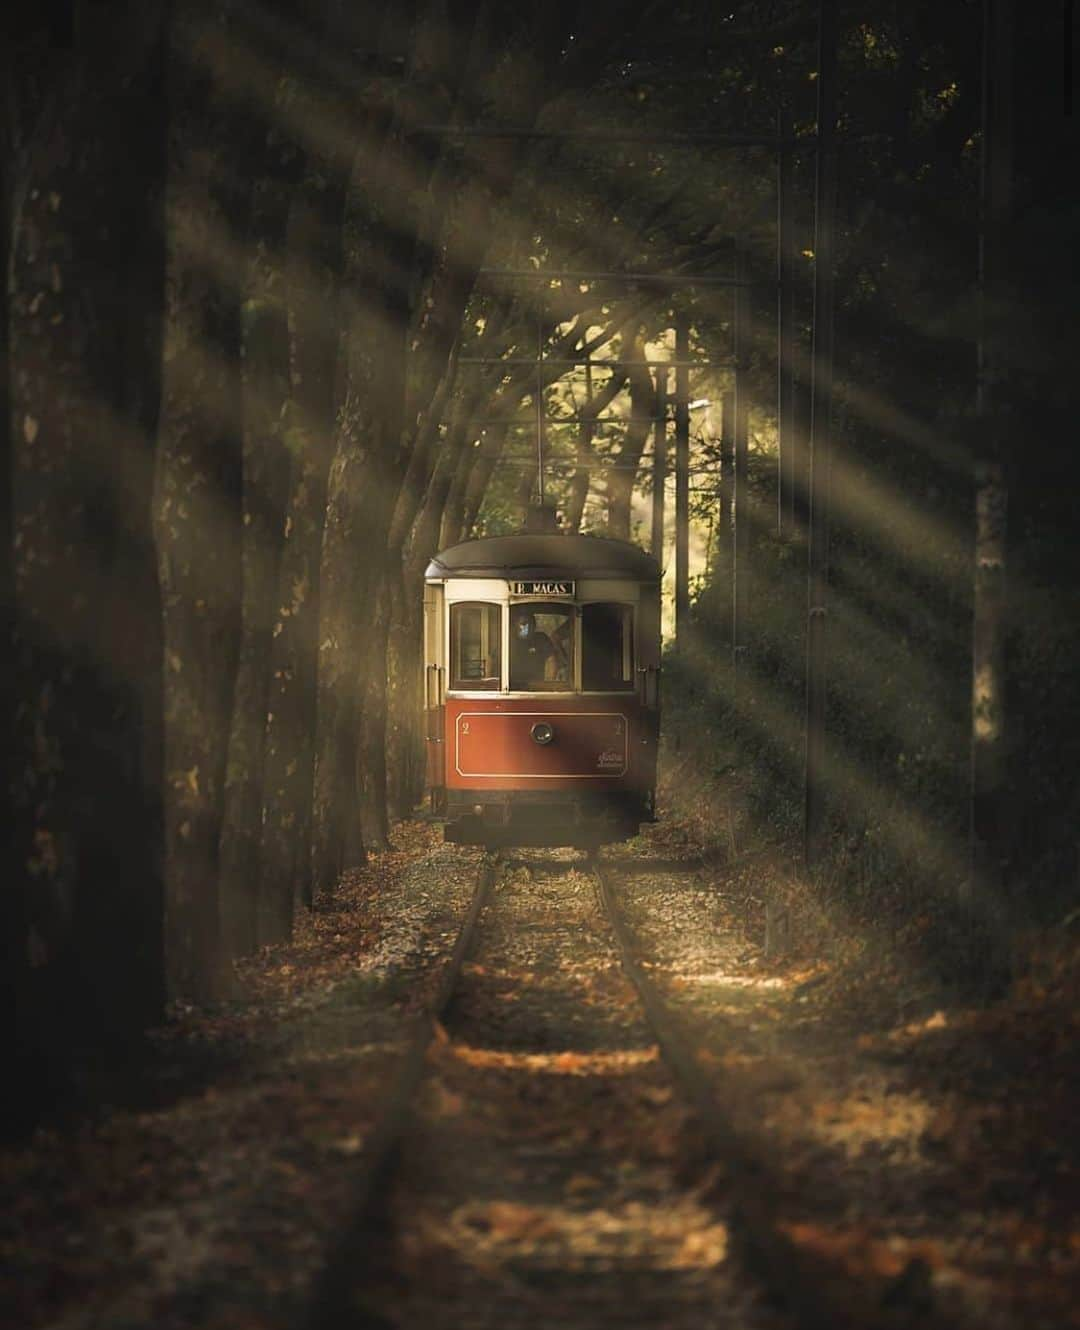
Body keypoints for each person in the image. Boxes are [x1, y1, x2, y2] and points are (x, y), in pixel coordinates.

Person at [511, 609, 559, 687]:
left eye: (531, 624)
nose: (527, 627)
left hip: (537, 688)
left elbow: (552, 661)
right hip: (511, 687)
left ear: (534, 626)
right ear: (515, 625)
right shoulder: (508, 640)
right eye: (523, 624)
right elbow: (491, 659)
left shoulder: (541, 639)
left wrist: (548, 686)